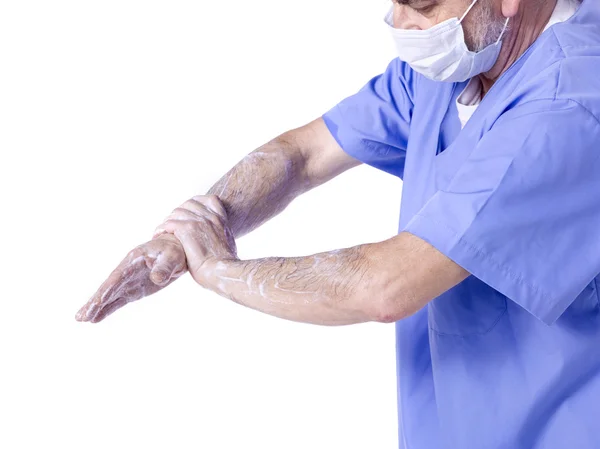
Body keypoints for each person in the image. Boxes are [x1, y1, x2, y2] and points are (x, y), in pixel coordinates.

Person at [76, 0, 600, 447]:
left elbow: (386, 286)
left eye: (423, 7)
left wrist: (218, 269)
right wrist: (196, 225)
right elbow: (303, 154)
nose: (401, 26)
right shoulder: (464, 66)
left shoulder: (570, 100)